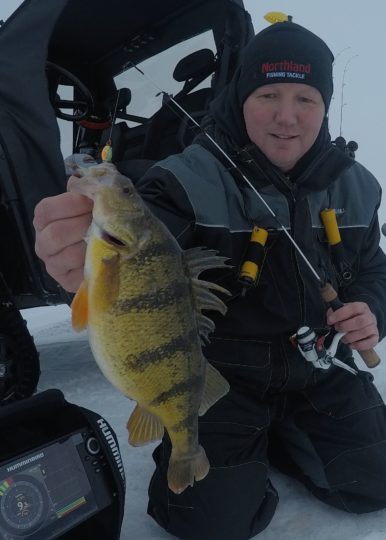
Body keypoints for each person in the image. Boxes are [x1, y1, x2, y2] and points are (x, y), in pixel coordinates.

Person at [34, 21, 386, 540]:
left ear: (325, 105)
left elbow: (373, 265)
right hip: (218, 379)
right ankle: (238, 448)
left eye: (305, 98)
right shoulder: (182, 180)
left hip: (316, 369)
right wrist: (75, 252)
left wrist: (371, 307)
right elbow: (139, 241)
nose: (286, 116)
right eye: (268, 93)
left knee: (375, 485)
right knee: (211, 522)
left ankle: (282, 437)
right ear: (242, 95)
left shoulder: (356, 186)